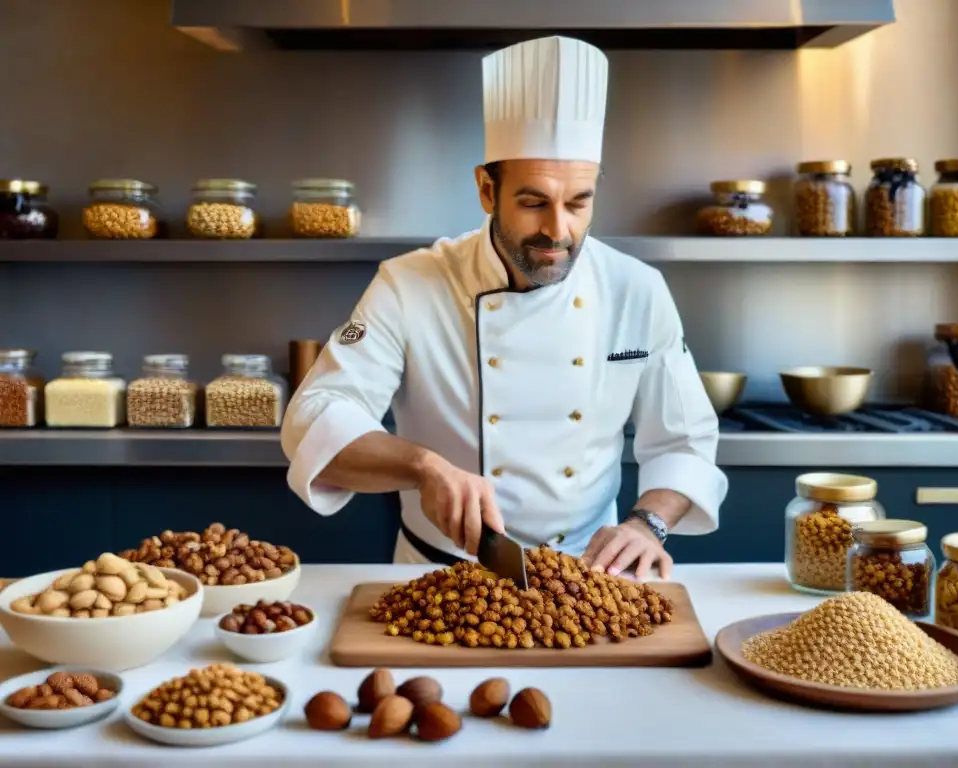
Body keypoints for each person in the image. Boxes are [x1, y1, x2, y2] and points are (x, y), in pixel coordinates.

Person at [281, 36, 728, 580]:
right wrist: (421, 466)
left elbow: (684, 440)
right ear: (487, 191)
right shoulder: (409, 284)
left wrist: (645, 525)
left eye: (578, 203)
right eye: (534, 201)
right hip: (440, 578)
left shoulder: (637, 289)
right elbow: (314, 417)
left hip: (591, 580)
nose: (557, 231)